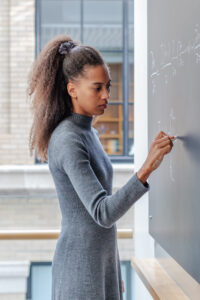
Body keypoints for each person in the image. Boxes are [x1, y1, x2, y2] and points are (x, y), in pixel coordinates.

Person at [27, 34, 174, 300]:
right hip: (79, 270)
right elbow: (102, 212)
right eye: (97, 88)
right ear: (72, 89)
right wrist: (146, 168)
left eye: (108, 86)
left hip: (99, 265)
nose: (106, 95)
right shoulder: (68, 139)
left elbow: (101, 226)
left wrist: (112, 271)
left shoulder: (88, 132)